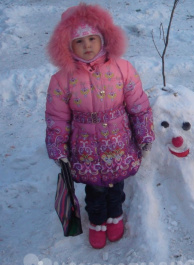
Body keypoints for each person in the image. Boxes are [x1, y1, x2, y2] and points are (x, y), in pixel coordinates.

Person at [45, 3, 155, 249]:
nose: (87, 46)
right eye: (79, 41)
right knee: (94, 190)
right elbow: (57, 117)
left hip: (118, 142)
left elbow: (137, 103)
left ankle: (115, 216)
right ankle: (97, 222)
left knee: (116, 187)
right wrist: (58, 147)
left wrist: (144, 133)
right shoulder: (62, 79)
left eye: (92, 38)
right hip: (86, 147)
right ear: (67, 46)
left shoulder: (122, 68)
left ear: (103, 38)